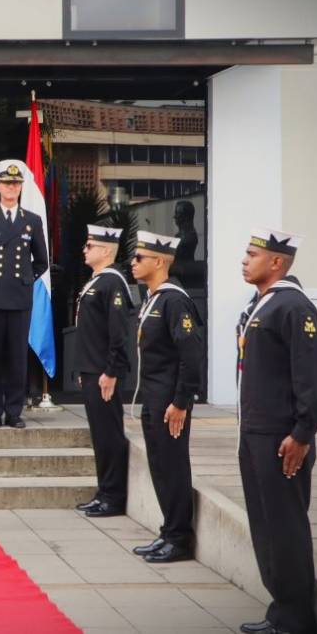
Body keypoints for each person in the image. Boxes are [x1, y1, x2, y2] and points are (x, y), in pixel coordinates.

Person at [236, 228, 317, 634]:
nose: (244, 259)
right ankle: (281, 612)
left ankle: (295, 619)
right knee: (267, 526)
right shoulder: (262, 305)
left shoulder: (292, 307)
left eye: (252, 253)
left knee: (285, 527)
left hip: (281, 437)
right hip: (255, 432)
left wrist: (303, 433)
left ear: (277, 262)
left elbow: (313, 374)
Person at [128, 230, 204, 563]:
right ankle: (168, 531)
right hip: (153, 397)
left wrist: (181, 402)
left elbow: (191, 355)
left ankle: (179, 538)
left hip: (169, 400)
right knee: (160, 466)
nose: (132, 263)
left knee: (172, 467)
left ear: (159, 262)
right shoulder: (153, 298)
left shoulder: (174, 300)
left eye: (139, 258)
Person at [0, 159, 49, 429]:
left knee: (17, 358)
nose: (11, 187)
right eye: (6, 183)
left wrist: (26, 280)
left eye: (15, 183)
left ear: (20, 187)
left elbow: (42, 261)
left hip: (19, 297)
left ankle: (14, 411)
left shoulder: (32, 221)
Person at [73, 225, 132, 518]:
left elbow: (118, 333)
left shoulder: (112, 283)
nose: (85, 250)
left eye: (90, 246)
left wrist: (111, 371)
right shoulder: (97, 281)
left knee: (109, 435)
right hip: (93, 370)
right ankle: (104, 491)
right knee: (99, 435)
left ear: (106, 250)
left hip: (104, 374)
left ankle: (113, 496)